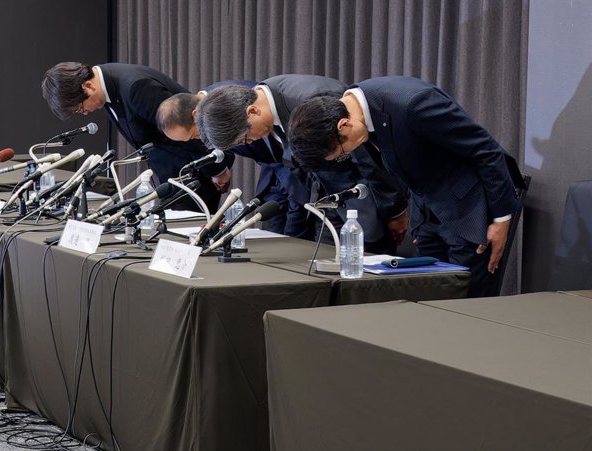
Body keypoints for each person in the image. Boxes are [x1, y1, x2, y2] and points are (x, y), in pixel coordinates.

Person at [287, 76, 523, 297]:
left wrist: (502, 219)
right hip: (429, 215)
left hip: (471, 212)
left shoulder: (413, 104)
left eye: (340, 154)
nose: (345, 156)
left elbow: (485, 150)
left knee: (468, 304)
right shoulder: (360, 114)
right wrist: (420, 222)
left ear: (343, 125)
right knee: (429, 301)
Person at [195, 75, 408, 253]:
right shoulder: (268, 106)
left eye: (244, 138)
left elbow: (369, 157)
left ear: (252, 111)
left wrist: (395, 210)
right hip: (328, 201)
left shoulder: (312, 101)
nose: (250, 143)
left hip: (366, 202)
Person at [41, 62, 232, 213]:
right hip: (172, 176)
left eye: (79, 108)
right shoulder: (107, 87)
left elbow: (189, 126)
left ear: (88, 86)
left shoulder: (136, 88)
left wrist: (217, 169)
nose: (83, 113)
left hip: (193, 173)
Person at [156, 85, 311, 238]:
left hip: (302, 171)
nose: (197, 142)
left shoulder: (228, 104)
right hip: (275, 174)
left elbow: (276, 133)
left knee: (297, 234)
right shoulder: (212, 112)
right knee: (274, 234)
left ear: (196, 115)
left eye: (191, 137)